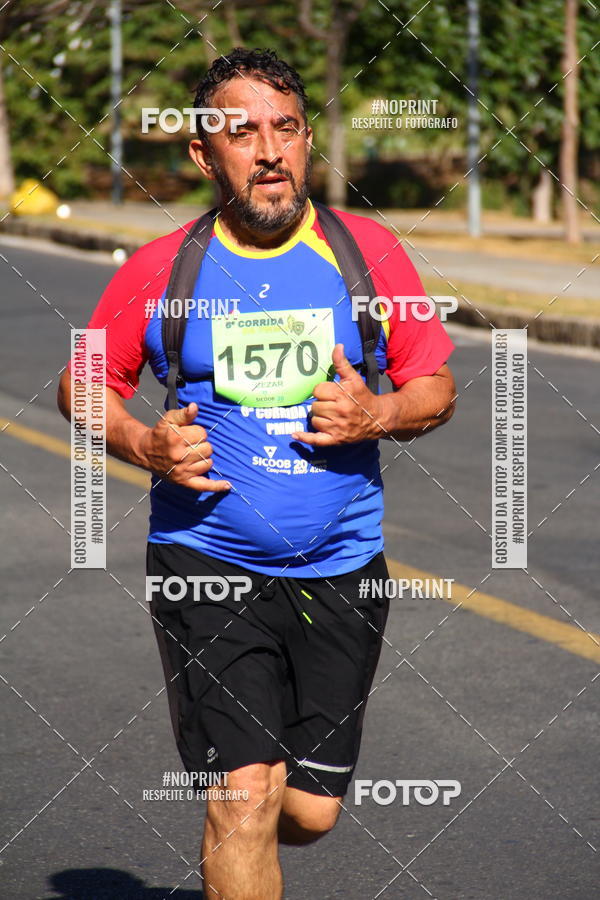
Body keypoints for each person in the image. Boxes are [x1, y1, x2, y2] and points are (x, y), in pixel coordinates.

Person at [58, 47, 456, 900]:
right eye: (243, 133)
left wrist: (380, 413)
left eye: (286, 128)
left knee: (308, 810)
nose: (269, 151)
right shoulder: (160, 269)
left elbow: (435, 384)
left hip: (341, 572)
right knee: (242, 798)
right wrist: (143, 444)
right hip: (206, 565)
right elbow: (82, 382)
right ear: (205, 155)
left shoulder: (369, 254)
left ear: (308, 139)